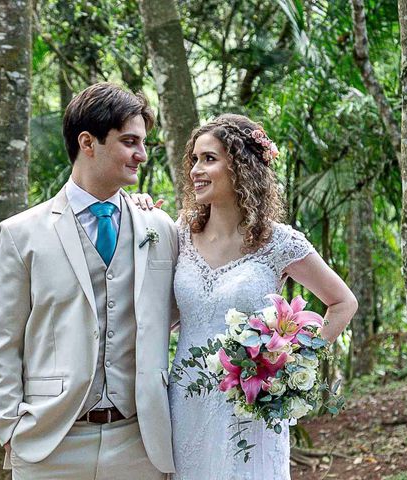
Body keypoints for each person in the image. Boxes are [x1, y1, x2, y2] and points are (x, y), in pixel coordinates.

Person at [134, 113, 358, 479]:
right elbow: (157, 310)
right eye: (194, 160)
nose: (196, 170)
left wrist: (288, 366)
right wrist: (139, 214)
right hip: (186, 404)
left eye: (209, 159)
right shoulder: (179, 235)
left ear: (241, 166)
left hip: (252, 410)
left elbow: (343, 303)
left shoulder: (278, 241)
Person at [0, 82, 178, 480]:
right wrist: (8, 426)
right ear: (87, 143)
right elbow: (2, 338)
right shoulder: (22, 233)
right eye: (129, 142)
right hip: (51, 444)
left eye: (142, 142)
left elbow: (181, 310)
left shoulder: (159, 227)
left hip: (141, 443)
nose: (141, 154)